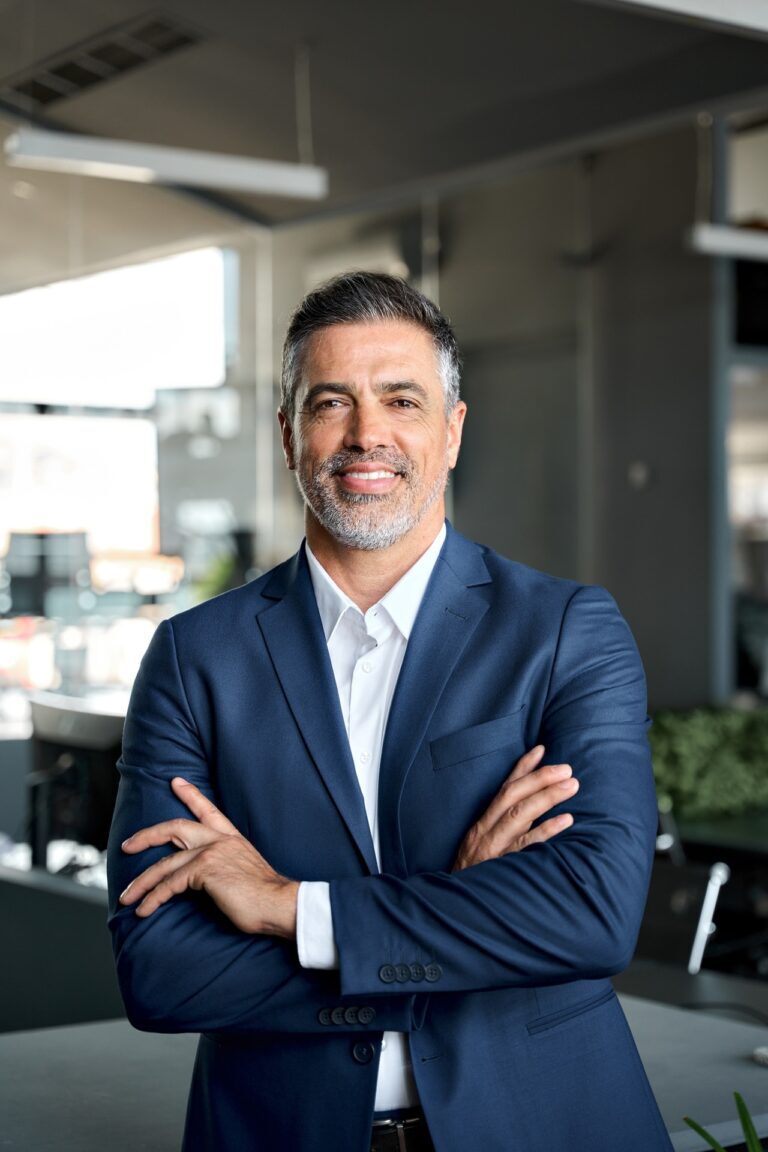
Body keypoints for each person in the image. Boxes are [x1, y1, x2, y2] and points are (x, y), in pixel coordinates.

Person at [107, 272, 673, 1152]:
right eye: (332, 402)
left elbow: (594, 914)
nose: (367, 434)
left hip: (541, 1125)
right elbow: (161, 975)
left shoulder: (565, 630)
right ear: (289, 434)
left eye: (401, 399)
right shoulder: (195, 658)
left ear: (451, 432)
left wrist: (296, 910)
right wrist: (465, 909)